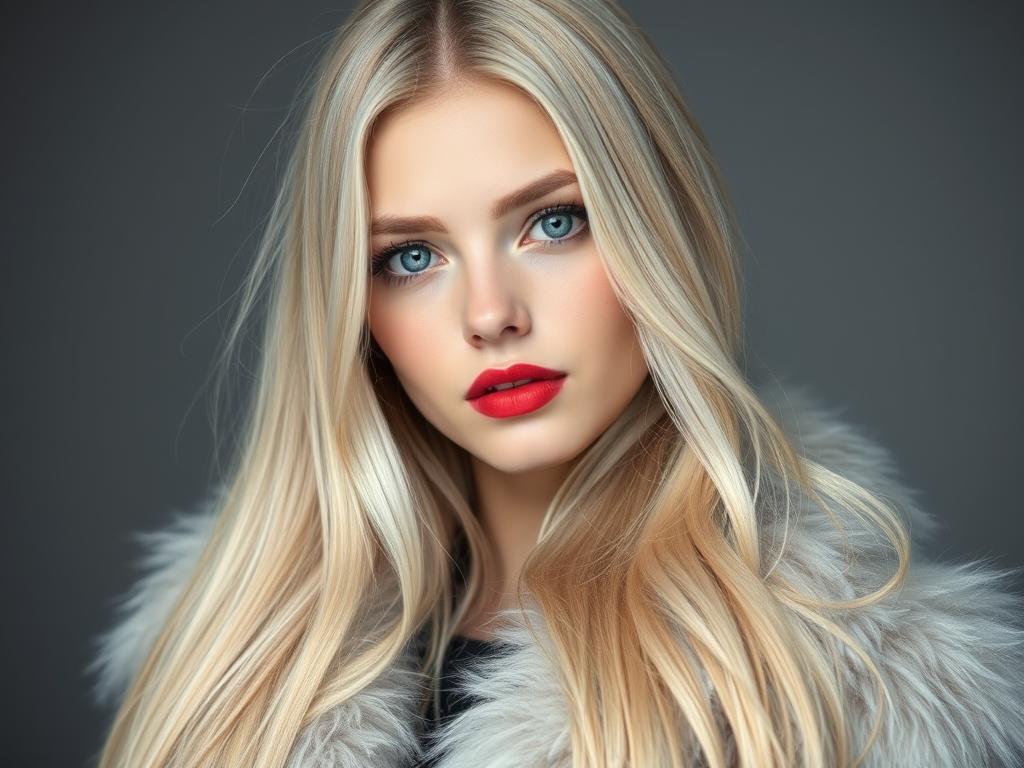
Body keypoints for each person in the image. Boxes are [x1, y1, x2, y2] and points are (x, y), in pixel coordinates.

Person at [88, 1, 1024, 766]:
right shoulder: (228, 660)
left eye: (553, 223)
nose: (490, 314)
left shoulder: (857, 684)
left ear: (662, 231)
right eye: (413, 255)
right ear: (352, 312)